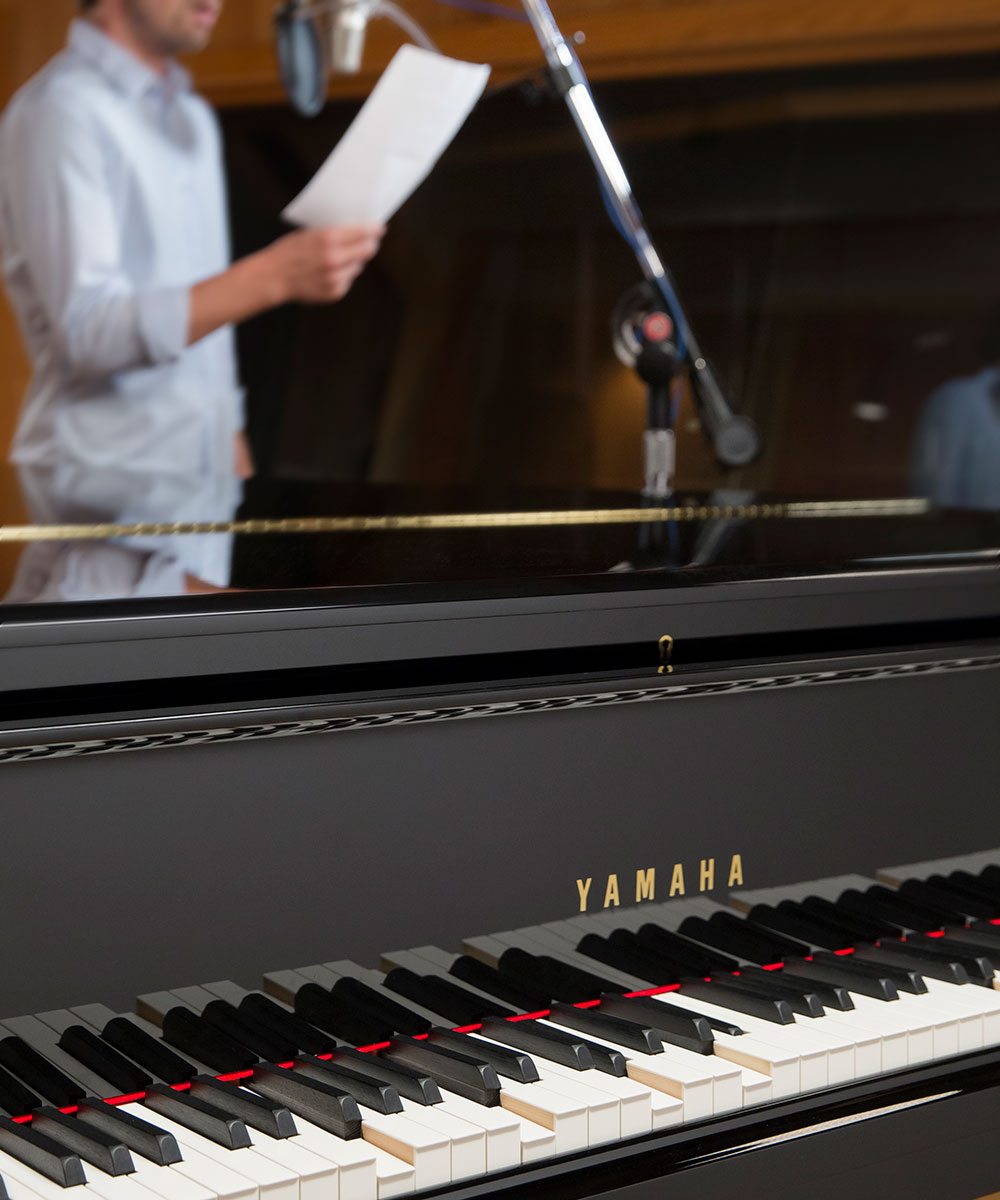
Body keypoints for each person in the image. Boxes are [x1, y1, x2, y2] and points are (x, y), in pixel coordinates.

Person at [0, 0, 384, 588]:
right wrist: (278, 275)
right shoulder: (61, 111)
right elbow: (88, 330)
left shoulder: (194, 122)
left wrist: (225, 423)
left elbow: (197, 294)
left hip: (202, 495)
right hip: (109, 518)